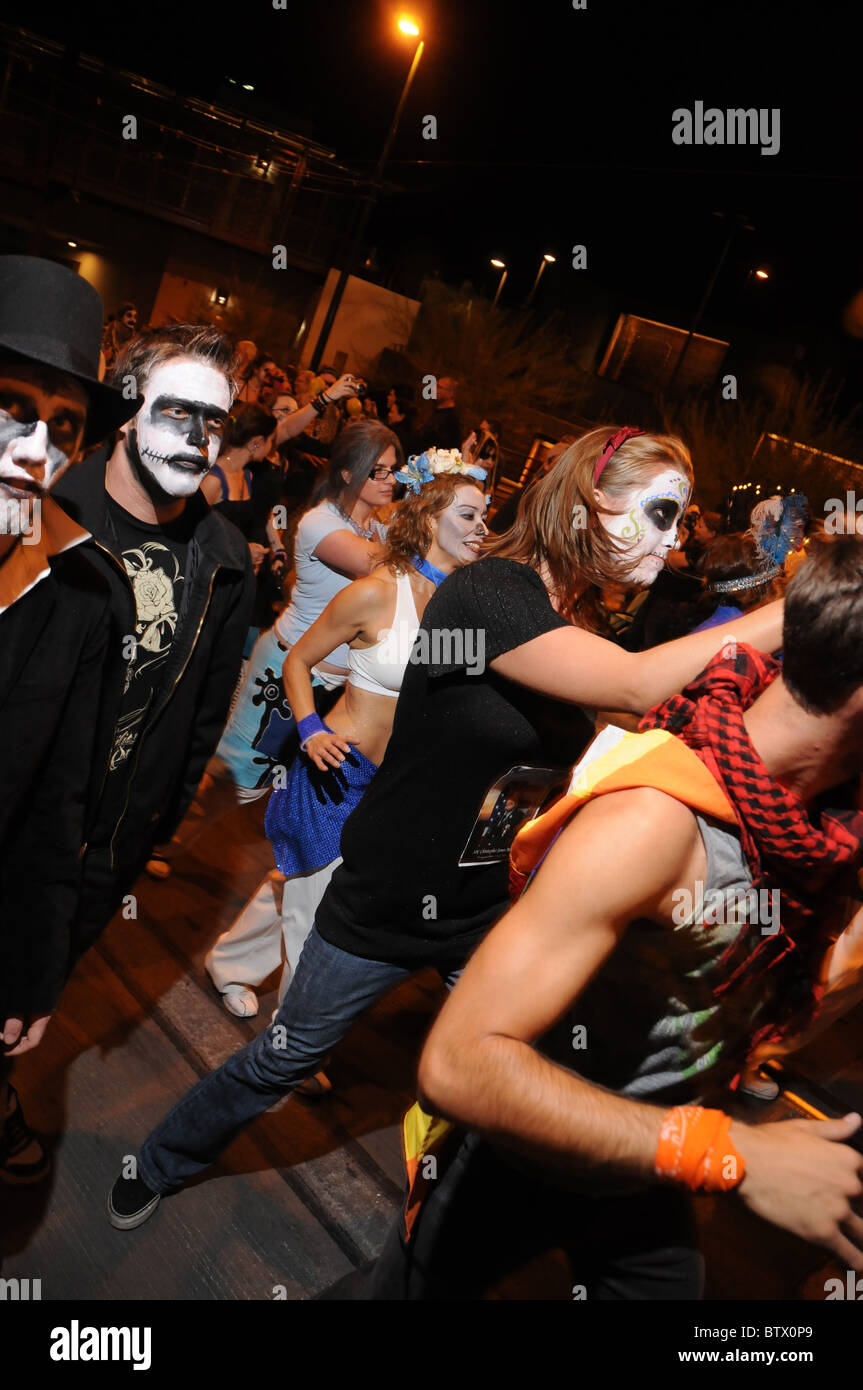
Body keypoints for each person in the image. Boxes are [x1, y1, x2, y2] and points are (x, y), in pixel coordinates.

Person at [107, 425, 784, 1229]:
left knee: (512, 1083)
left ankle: (439, 1239)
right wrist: (803, 606)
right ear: (587, 504)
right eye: (661, 513)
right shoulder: (489, 595)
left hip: (491, 913)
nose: (673, 541)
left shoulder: (580, 629)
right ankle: (159, 1161)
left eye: (681, 520)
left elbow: (659, 706)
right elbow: (636, 687)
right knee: (283, 1060)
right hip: (389, 898)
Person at [360, 532, 863, 1299]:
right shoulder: (655, 822)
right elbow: (461, 1062)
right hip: (533, 1147)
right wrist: (730, 1154)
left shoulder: (823, 836)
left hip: (647, 1168)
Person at [206, 456, 489, 1019]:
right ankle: (290, 1046)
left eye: (485, 516)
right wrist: (309, 729)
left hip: (390, 784)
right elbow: (299, 661)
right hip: (334, 768)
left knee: (301, 880)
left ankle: (230, 963)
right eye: (470, 514)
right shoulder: (376, 591)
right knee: (320, 909)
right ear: (430, 518)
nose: (483, 528)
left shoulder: (457, 607)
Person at [51, 324, 255, 971]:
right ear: (124, 414)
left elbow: (202, 716)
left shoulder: (225, 559)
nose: (200, 441)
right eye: (177, 413)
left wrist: (154, 824)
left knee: (41, 987)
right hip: (23, 811)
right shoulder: (49, 511)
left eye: (215, 423)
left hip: (109, 843)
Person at [0, 255, 137, 1182]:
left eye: (62, 425)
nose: (33, 445)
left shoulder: (85, 596)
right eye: (13, 405)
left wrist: (34, 966)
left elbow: (59, 802)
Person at [211, 421, 400, 802]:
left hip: (334, 685)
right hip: (286, 673)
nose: (390, 479)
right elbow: (383, 568)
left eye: (393, 470)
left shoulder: (379, 529)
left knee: (275, 787)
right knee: (236, 778)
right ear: (348, 472)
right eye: (378, 470)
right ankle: (155, 842)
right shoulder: (321, 523)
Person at [416, 375, 462, 452]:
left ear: (450, 393)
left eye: (439, 387)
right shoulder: (434, 412)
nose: (434, 389)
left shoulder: (451, 419)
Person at [101, 302, 138, 373]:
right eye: (129, 315)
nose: (133, 320)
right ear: (121, 316)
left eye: (135, 317)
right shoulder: (109, 332)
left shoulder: (134, 339)